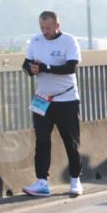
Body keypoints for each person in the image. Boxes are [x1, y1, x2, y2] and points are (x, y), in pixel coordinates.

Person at [21, 11, 84, 197]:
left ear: (57, 25)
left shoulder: (69, 41)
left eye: (48, 28)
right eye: (42, 28)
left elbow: (70, 67)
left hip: (66, 99)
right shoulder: (35, 41)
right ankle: (41, 181)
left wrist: (45, 67)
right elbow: (26, 65)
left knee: (70, 141)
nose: (45, 31)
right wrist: (31, 70)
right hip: (42, 99)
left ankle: (75, 180)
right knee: (41, 141)